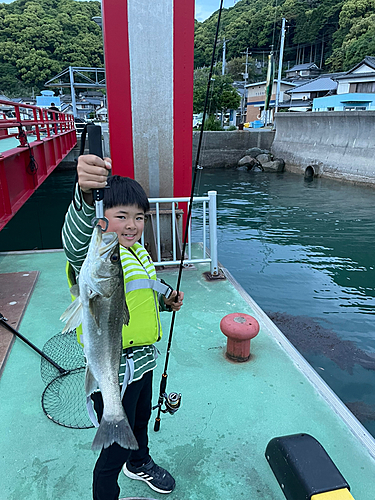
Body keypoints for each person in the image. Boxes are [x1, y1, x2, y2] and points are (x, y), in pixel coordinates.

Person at [61, 154, 184, 500]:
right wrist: (86, 197)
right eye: (121, 217)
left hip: (144, 362)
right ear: (102, 219)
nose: (131, 225)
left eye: (138, 217)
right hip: (113, 370)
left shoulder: (137, 253)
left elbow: (138, 294)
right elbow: (77, 238)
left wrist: (165, 302)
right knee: (112, 449)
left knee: (141, 419)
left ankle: (139, 461)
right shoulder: (94, 254)